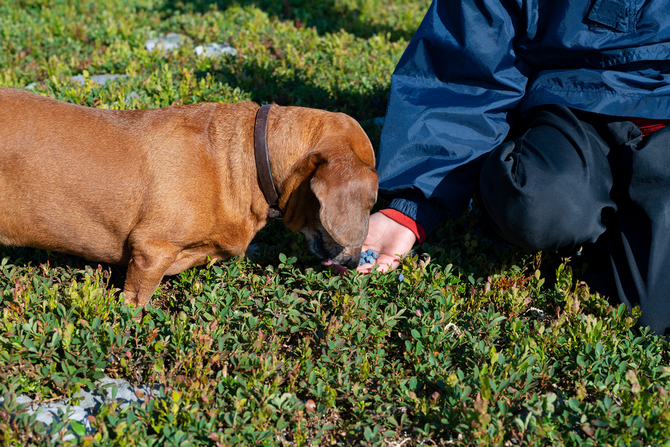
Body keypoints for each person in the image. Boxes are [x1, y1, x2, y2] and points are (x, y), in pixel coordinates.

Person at [356, 0, 670, 335]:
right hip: (572, 98)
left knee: (647, 318)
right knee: (533, 204)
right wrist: (413, 207)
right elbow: (467, 64)